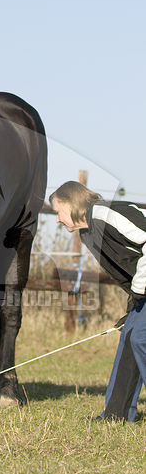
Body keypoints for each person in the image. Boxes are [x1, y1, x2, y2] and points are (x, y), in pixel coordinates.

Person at [49, 181, 146, 422]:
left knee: (141, 337)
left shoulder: (105, 214)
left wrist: (139, 290)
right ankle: (117, 415)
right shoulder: (87, 233)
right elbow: (126, 267)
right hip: (143, 289)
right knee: (129, 335)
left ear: (71, 203)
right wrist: (134, 303)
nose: (58, 220)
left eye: (58, 211)